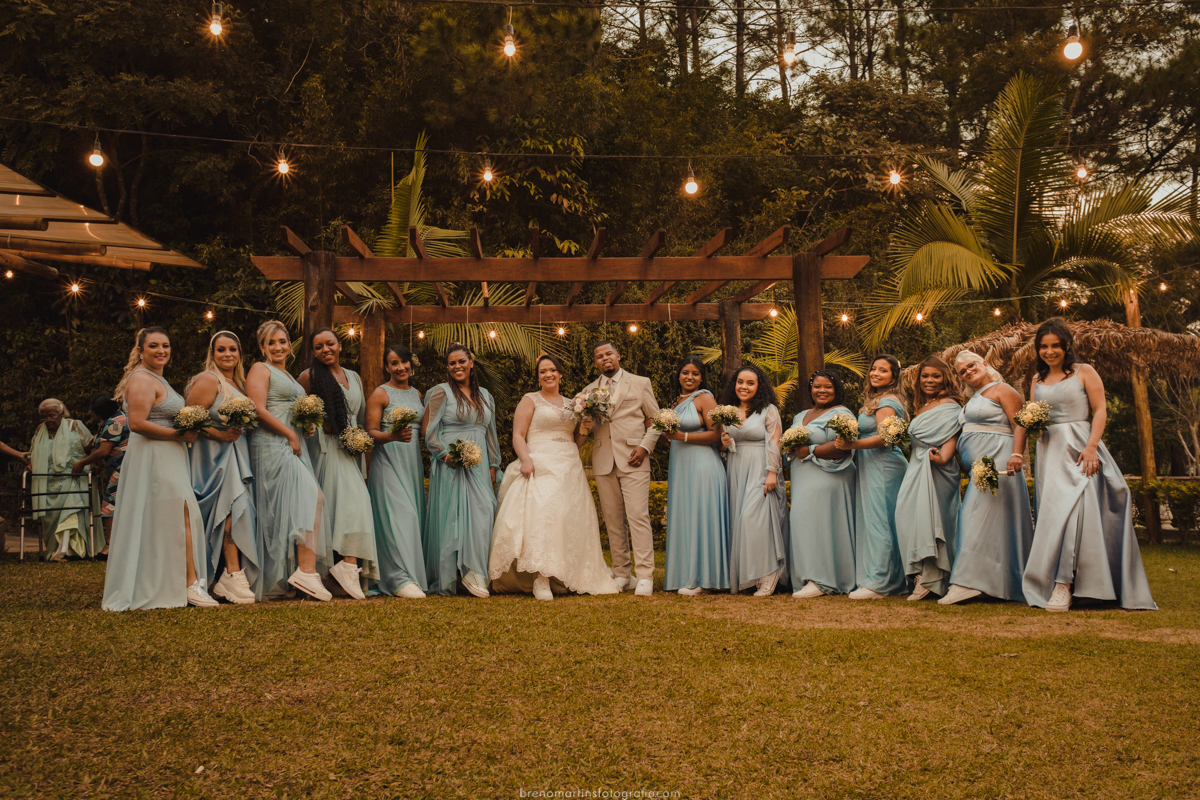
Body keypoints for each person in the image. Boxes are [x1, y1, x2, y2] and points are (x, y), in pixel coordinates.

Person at [1022, 318, 1156, 612]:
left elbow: (1100, 410)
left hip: (1081, 446)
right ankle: (1059, 583)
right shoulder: (1036, 379)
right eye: (1043, 346)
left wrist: (1092, 446)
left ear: (1067, 345)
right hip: (1049, 450)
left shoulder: (1085, 371)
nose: (1049, 351)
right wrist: (1032, 426)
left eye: (1055, 345)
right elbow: (1034, 414)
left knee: (1078, 512)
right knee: (1054, 515)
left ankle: (1067, 584)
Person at [489, 355, 620, 600]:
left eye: (552, 370)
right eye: (542, 372)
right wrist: (526, 460)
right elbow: (518, 434)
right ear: (538, 376)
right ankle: (541, 577)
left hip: (569, 466)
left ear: (560, 374)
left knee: (566, 518)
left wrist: (585, 427)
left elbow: (577, 441)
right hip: (539, 463)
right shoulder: (530, 399)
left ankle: (565, 574)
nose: (547, 375)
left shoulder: (573, 403)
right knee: (543, 516)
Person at [101, 328, 210, 611]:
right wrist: (179, 435)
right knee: (180, 514)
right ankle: (189, 583)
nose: (161, 351)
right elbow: (136, 423)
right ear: (140, 350)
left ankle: (179, 582)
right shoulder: (141, 379)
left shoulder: (157, 378)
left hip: (167, 455)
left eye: (165, 346)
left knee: (170, 518)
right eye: (153, 346)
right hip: (154, 456)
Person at [246, 320, 331, 601]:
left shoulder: (291, 376)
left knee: (299, 503)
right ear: (262, 347)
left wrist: (305, 425)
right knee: (310, 498)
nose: (278, 347)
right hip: (272, 444)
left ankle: (300, 573)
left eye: (282, 341)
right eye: (271, 343)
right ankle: (305, 573)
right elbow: (258, 409)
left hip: (292, 443)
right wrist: (289, 435)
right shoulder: (260, 369)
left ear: (289, 344)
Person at [942, 351, 1034, 606]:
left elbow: (1020, 423)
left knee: (976, 516)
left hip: (1000, 459)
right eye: (962, 371)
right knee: (983, 520)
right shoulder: (972, 398)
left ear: (984, 363)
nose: (968, 371)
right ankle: (988, 581)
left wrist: (1017, 454)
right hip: (978, 467)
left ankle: (967, 582)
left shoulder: (1002, 389)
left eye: (971, 365)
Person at [299, 328, 378, 600]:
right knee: (353, 504)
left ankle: (342, 569)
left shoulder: (353, 376)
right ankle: (347, 565)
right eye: (318, 346)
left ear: (340, 345)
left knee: (345, 507)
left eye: (329, 344)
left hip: (352, 449)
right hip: (327, 448)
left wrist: (359, 442)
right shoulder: (308, 378)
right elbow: (298, 413)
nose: (325, 350)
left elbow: (361, 415)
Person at [580, 341, 662, 596]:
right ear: (595, 362)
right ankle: (622, 574)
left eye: (608, 354)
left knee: (638, 516)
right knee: (613, 521)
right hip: (604, 460)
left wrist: (646, 447)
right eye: (599, 356)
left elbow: (656, 419)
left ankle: (646, 575)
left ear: (618, 355)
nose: (604, 358)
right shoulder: (589, 391)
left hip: (634, 457)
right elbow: (589, 427)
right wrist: (585, 423)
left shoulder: (640, 382)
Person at [185, 331, 260, 604]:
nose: (227, 354)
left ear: (239, 353)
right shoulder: (208, 379)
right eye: (221, 350)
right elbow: (189, 417)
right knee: (228, 509)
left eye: (232, 349)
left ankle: (230, 573)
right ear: (212, 353)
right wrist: (219, 435)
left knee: (237, 510)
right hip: (212, 456)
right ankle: (231, 571)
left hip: (236, 452)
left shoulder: (238, 383)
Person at [422, 343, 501, 597]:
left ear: (471, 362)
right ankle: (459, 574)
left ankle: (476, 569)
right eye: (452, 363)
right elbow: (429, 432)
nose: (457, 366)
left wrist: (493, 463)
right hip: (451, 463)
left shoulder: (486, 395)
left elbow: (491, 434)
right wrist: (445, 455)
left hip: (479, 465)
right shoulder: (440, 392)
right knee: (453, 517)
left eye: (461, 362)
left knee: (483, 511)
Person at [837, 356, 908, 599]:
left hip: (884, 465)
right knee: (876, 519)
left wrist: (851, 444)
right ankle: (887, 578)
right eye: (873, 369)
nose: (875, 373)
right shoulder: (875, 400)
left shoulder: (887, 402)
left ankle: (881, 583)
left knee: (880, 521)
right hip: (871, 465)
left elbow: (885, 437)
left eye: (883, 370)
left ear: (893, 377)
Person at [894, 355, 963, 601]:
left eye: (935, 375)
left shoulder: (952, 405)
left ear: (945, 377)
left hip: (937, 468)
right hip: (917, 465)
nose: (929, 380)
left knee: (931, 520)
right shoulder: (921, 406)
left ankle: (930, 578)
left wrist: (943, 457)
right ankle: (919, 574)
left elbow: (952, 435)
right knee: (907, 516)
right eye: (925, 376)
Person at [660, 356, 729, 595]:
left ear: (702, 377)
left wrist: (683, 437)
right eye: (685, 372)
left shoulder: (705, 398)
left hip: (702, 465)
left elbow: (715, 435)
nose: (690, 377)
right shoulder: (674, 401)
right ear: (678, 375)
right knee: (685, 516)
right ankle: (684, 575)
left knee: (701, 516)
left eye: (695, 373)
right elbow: (671, 435)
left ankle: (704, 579)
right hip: (680, 464)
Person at [365, 345, 428, 599]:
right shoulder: (380, 394)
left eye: (404, 361)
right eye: (394, 363)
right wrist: (392, 436)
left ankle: (412, 574)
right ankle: (397, 578)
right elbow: (369, 433)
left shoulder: (417, 393)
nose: (401, 367)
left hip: (411, 463)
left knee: (414, 517)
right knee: (399, 517)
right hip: (388, 461)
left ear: (411, 364)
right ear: (386, 367)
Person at [787, 372, 857, 598]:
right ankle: (807, 576)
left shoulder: (842, 413)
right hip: (803, 475)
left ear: (836, 389)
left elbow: (843, 445)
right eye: (817, 386)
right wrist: (790, 447)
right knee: (803, 523)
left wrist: (810, 450)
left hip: (829, 475)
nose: (822, 390)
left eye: (828, 386)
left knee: (823, 525)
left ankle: (824, 580)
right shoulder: (801, 414)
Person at [720, 365, 788, 596]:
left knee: (755, 519)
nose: (744, 387)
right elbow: (723, 444)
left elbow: (775, 441)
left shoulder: (768, 410)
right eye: (740, 382)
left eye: (750, 383)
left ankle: (770, 573)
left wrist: (771, 472)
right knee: (740, 521)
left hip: (761, 467)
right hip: (737, 467)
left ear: (759, 387)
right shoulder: (727, 411)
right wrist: (725, 441)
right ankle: (749, 575)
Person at [29, 398, 97, 561]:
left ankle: (65, 551)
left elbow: (91, 449)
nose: (48, 420)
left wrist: (92, 464)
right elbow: (33, 452)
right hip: (47, 482)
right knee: (51, 518)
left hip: (73, 478)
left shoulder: (75, 425)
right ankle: (54, 550)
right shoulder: (41, 430)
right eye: (44, 417)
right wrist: (30, 465)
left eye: (51, 416)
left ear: (61, 414)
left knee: (70, 510)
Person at [71, 391, 128, 559]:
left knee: (111, 503)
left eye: (92, 409)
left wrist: (82, 463)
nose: (90, 412)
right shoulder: (109, 421)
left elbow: (104, 450)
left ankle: (111, 546)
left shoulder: (115, 423)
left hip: (122, 468)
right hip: (115, 468)